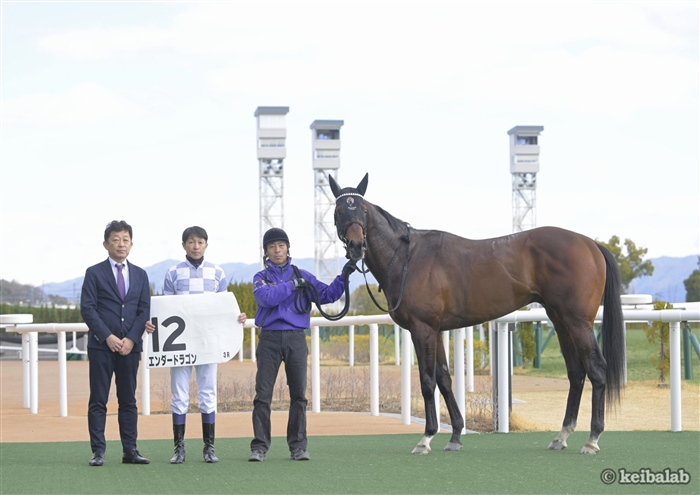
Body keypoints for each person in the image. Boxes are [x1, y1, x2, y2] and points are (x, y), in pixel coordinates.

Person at [247, 227, 355, 462]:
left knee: (298, 395)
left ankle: (298, 447)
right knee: (263, 395)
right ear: (266, 251)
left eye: (281, 245)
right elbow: (266, 298)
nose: (277, 250)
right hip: (269, 339)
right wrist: (293, 285)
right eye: (272, 246)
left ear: (287, 248)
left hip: (296, 338)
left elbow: (327, 296)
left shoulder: (303, 274)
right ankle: (259, 447)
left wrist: (344, 275)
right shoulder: (260, 277)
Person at [145, 226, 246, 464]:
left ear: (206, 245)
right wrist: (152, 322)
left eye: (200, 242)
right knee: (179, 395)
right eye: (191, 242)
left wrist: (237, 317)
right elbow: (165, 309)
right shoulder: (173, 273)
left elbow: (224, 307)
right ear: (184, 245)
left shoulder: (217, 272)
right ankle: (179, 449)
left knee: (207, 393)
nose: (196, 246)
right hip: (180, 345)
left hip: (207, 342)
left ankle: (209, 448)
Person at [80, 220, 151, 466]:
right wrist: (107, 336)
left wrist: (131, 338)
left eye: (125, 239)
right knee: (98, 399)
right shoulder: (94, 272)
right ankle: (98, 451)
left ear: (131, 243)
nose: (121, 244)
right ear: (106, 244)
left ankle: (130, 450)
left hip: (130, 348)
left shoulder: (141, 274)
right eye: (116, 239)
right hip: (101, 346)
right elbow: (88, 309)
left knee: (128, 400)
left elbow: (144, 310)